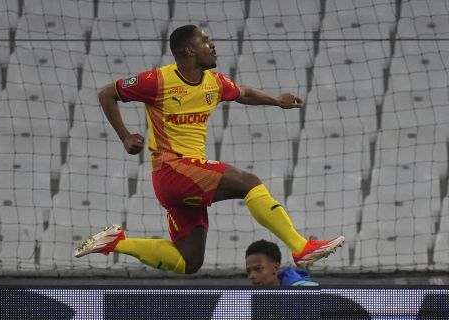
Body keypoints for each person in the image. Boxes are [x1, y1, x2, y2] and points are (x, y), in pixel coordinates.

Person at [74, 25, 345, 274]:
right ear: (190, 50)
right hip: (173, 169)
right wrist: (124, 136)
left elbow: (244, 93)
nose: (212, 44)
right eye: (205, 40)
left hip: (185, 179)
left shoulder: (213, 82)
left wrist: (277, 101)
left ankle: (115, 242)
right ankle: (301, 247)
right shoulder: (157, 81)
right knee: (249, 183)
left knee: (188, 261)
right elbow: (106, 93)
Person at [246, 239, 319, 286]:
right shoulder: (248, 300)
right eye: (248, 271)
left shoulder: (308, 292)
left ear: (275, 268)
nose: (251, 276)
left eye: (258, 269)